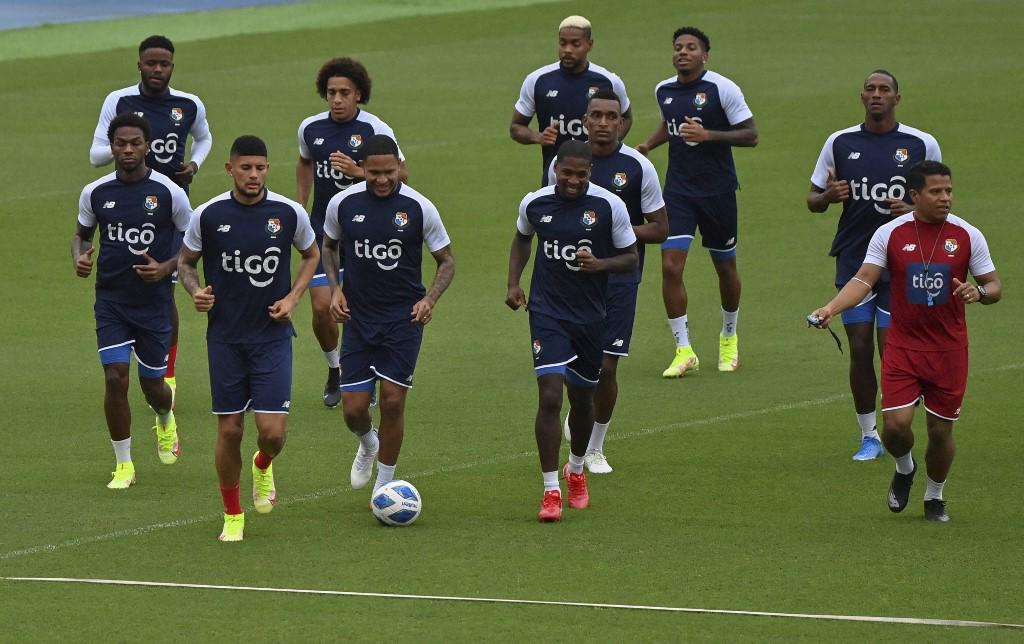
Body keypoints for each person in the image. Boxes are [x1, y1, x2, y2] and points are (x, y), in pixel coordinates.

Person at [809, 161, 1001, 523]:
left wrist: (979, 292)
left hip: (948, 351)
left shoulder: (967, 234)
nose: (945, 198)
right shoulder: (890, 233)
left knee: (940, 432)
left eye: (948, 190)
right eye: (936, 191)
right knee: (895, 428)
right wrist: (831, 308)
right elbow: (864, 279)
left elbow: (994, 285)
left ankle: (935, 497)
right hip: (903, 346)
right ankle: (904, 467)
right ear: (915, 195)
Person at [178, 135, 318, 542]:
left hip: (272, 338)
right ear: (230, 169)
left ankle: (262, 463)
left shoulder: (289, 213)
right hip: (225, 339)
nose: (253, 175)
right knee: (229, 431)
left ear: (267, 169)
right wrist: (195, 291)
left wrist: (293, 298)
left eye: (260, 168)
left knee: (272, 434)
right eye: (245, 168)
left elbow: (312, 254)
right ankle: (233, 514)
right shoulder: (208, 215)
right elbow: (186, 263)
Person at [806, 70, 941, 461]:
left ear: (897, 98)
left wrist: (914, 208)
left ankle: (899, 422)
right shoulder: (840, 142)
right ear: (862, 97)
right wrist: (828, 196)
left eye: (884, 89)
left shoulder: (921, 143)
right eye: (870, 89)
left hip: (904, 262)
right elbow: (812, 199)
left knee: (892, 350)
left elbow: (939, 199)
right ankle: (869, 436)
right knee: (860, 346)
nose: (876, 94)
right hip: (855, 258)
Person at [508, 140, 638, 522]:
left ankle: (576, 469)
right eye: (567, 173)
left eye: (581, 174)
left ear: (590, 173)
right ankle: (551, 491)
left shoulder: (609, 206)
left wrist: (600, 264)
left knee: (582, 401)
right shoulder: (535, 203)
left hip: (590, 316)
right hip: (546, 312)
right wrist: (513, 283)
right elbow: (522, 238)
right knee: (550, 396)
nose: (573, 180)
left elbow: (631, 258)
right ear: (555, 170)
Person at [321, 135, 454, 502]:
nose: (382, 180)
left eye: (389, 172)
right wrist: (335, 289)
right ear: (362, 169)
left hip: (403, 318)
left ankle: (385, 485)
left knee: (393, 402)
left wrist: (429, 299)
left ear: (399, 167)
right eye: (374, 173)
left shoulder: (420, 207)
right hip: (358, 318)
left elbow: (446, 260)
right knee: (353, 410)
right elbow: (328, 247)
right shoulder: (343, 204)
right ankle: (368, 442)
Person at [546, 90, 667, 473]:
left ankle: (595, 448)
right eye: (595, 115)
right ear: (585, 119)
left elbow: (661, 228)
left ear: (621, 122)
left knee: (607, 367)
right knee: (572, 368)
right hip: (571, 280)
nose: (602, 123)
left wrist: (612, 231)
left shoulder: (638, 166)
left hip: (618, 279)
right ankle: (582, 406)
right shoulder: (566, 163)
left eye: (610, 116)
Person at [89, 35, 213, 402]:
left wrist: (195, 164)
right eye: (150, 63)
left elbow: (204, 139)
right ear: (139, 65)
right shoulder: (119, 101)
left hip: (170, 211)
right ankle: (141, 362)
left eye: (164, 64)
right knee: (134, 283)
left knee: (165, 289)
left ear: (172, 66)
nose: (157, 69)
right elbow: (95, 155)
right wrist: (127, 149)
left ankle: (166, 373)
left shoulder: (188, 104)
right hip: (127, 203)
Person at [73, 113, 191, 489]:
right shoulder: (95, 192)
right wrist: (79, 256)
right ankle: (123, 464)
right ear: (112, 147)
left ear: (147, 146)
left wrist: (166, 267)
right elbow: (81, 235)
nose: (127, 149)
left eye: (135, 143)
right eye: (120, 143)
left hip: (154, 303)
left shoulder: (169, 192)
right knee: (114, 377)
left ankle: (165, 417)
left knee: (153, 387)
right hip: (111, 300)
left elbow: (193, 243)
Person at [636, 26, 758, 377]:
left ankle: (729, 336)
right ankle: (684, 349)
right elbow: (669, 124)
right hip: (678, 192)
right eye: (678, 47)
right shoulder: (664, 90)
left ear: (705, 55)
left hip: (718, 192)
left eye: (691, 47)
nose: (683, 52)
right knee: (671, 266)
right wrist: (647, 145)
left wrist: (709, 135)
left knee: (725, 266)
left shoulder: (723, 88)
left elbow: (751, 135)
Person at [297, 57, 408, 408]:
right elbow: (304, 162)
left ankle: (364, 373)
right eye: (331, 92)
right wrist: (300, 204)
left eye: (344, 92)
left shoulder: (376, 129)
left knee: (360, 310)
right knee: (321, 308)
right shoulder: (310, 128)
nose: (337, 99)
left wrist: (359, 172)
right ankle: (336, 368)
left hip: (366, 235)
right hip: (323, 232)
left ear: (359, 94)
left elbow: (402, 175)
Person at [510, 15, 632, 186]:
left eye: (575, 44)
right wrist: (538, 137)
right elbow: (516, 127)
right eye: (563, 43)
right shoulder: (538, 80)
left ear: (589, 45)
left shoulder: (609, 82)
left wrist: (609, 144)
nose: (567, 50)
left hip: (600, 175)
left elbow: (626, 118)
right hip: (556, 178)